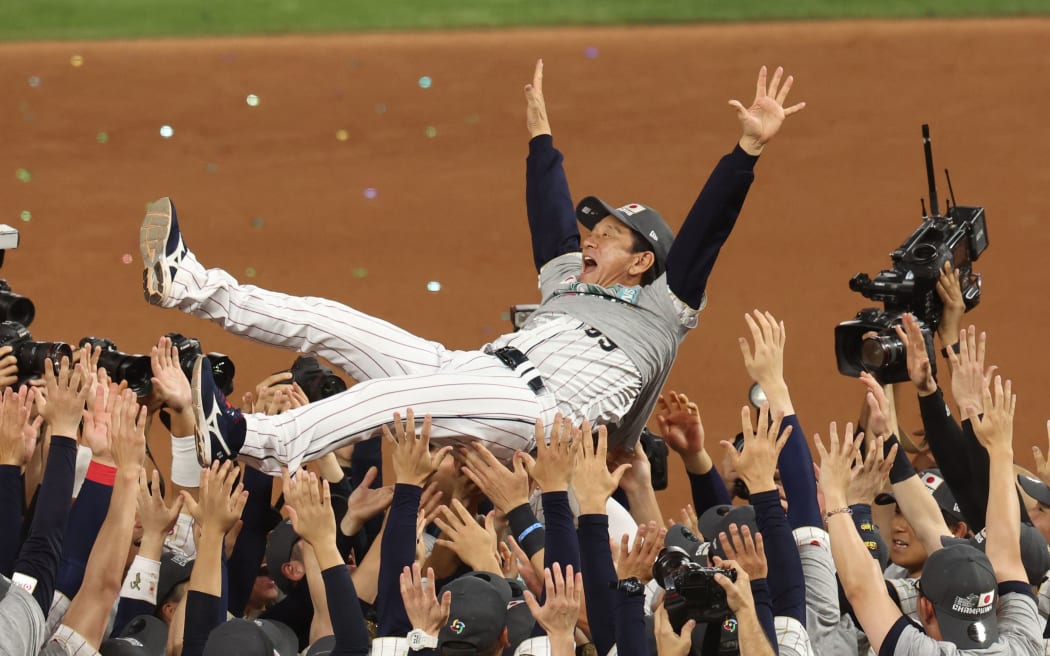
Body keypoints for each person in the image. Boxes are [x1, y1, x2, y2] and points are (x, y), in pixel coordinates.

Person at [138, 62, 805, 473]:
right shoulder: (569, 287)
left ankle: (254, 439)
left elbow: (704, 235)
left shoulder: (665, 310)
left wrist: (746, 149)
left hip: (535, 417)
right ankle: (190, 284)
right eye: (593, 227)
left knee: (391, 402)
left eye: (608, 234)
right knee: (333, 323)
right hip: (472, 372)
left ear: (642, 263)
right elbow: (549, 221)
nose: (590, 237)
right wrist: (541, 138)